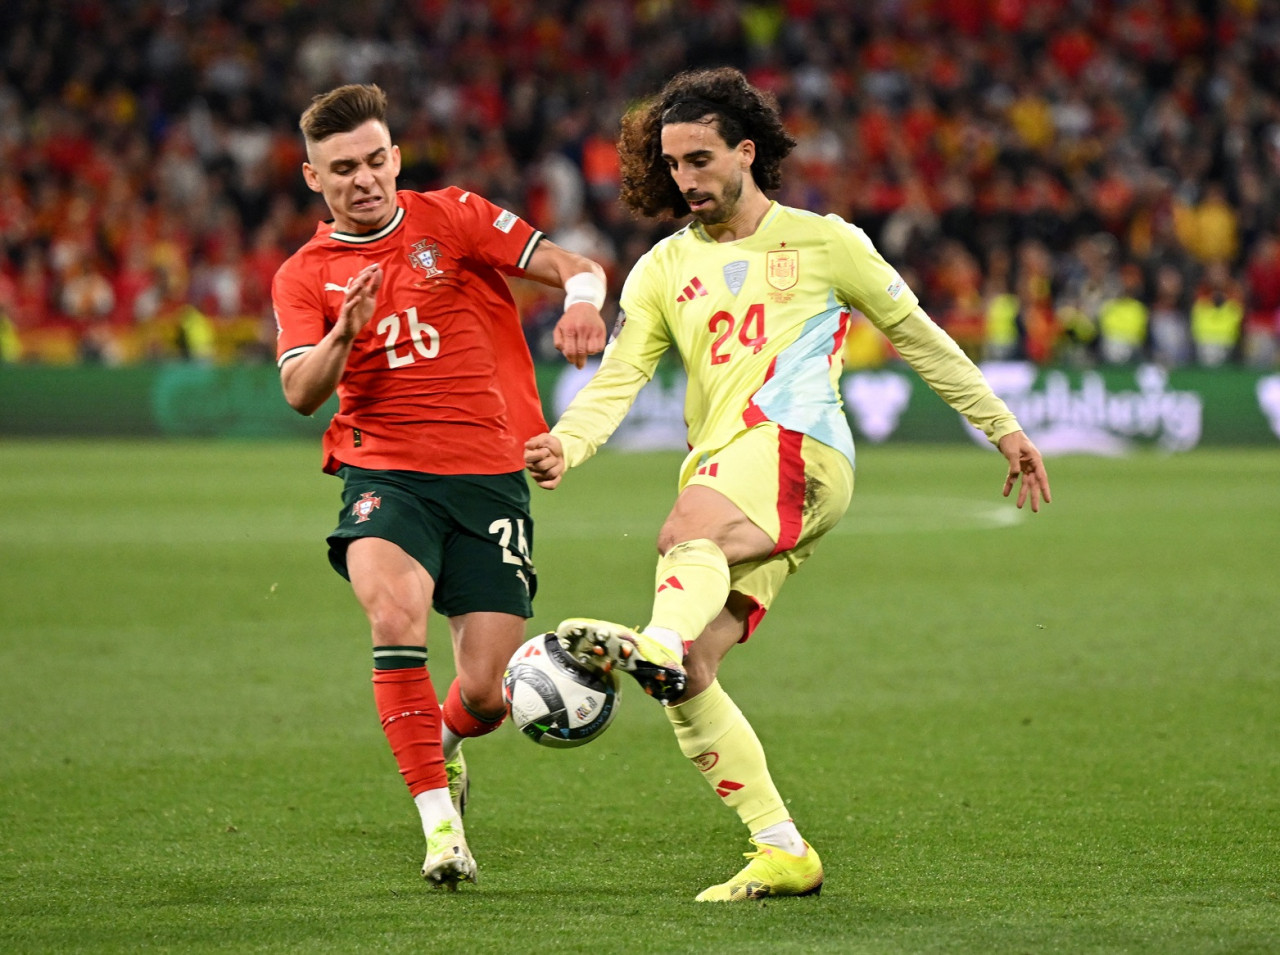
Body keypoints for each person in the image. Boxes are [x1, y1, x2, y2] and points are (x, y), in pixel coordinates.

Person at [524, 67, 1051, 902]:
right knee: (694, 666)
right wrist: (565, 443)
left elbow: (918, 335)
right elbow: (619, 379)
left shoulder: (825, 241)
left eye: (700, 159)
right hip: (732, 463)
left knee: (679, 539)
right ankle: (781, 847)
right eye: (672, 164)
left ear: (746, 151)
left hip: (799, 445)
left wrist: (1003, 424)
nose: (685, 179)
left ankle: (652, 640)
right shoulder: (662, 270)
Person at [272, 84, 607, 889]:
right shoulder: (304, 275)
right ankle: (440, 829)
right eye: (342, 168)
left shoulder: (451, 216)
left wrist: (585, 304)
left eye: (376, 159)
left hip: (490, 480)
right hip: (384, 472)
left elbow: (574, 265)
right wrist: (344, 335)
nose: (364, 178)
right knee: (395, 612)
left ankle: (445, 747)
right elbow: (298, 391)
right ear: (313, 178)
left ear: (395, 156)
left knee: (487, 694)